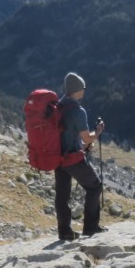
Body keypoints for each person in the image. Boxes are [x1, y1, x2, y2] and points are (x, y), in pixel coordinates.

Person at [55, 72, 106, 240]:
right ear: (78, 90)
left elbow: (66, 135)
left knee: (63, 195)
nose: (84, 90)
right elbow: (86, 137)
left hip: (58, 158)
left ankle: (65, 231)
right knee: (95, 186)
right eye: (83, 87)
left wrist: (83, 146)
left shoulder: (58, 106)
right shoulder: (78, 111)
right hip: (72, 158)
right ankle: (90, 228)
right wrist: (97, 132)